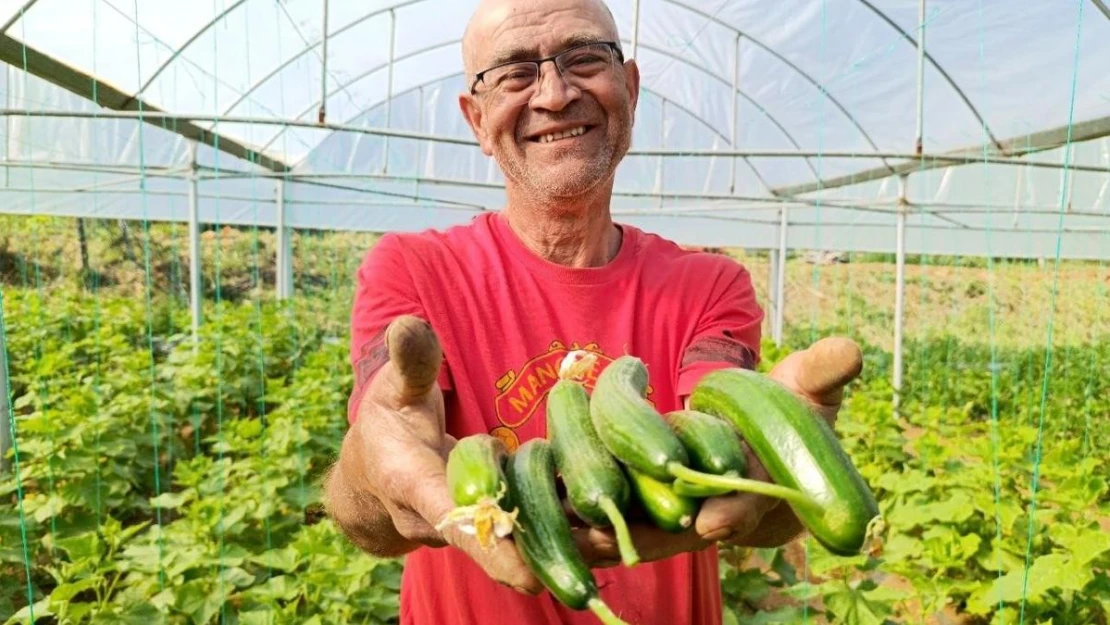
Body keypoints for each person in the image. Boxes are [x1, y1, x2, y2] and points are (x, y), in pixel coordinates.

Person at [322, 0, 864, 623]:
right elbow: (372, 517)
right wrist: (374, 465)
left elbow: (737, 480)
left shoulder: (710, 286)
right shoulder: (412, 272)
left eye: (584, 58)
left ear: (629, 89)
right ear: (476, 120)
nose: (554, 94)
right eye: (514, 74)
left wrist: (791, 449)